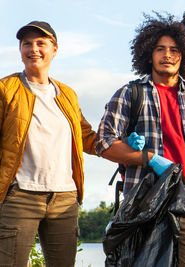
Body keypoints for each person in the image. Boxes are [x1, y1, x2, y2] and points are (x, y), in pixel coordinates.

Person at [96, 12, 185, 266]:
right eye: (160, 49)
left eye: (174, 50)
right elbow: (104, 143)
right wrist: (148, 158)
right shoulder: (130, 94)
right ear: (148, 54)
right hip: (141, 203)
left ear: (184, 54)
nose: (167, 55)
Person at [0, 21, 97, 266]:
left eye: (41, 43)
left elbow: (87, 137)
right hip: (19, 196)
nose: (34, 49)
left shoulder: (67, 95)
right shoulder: (5, 89)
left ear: (54, 49)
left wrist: (125, 146)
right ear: (20, 50)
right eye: (27, 44)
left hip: (64, 197)